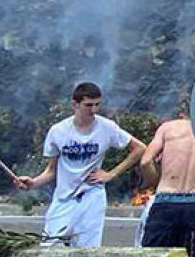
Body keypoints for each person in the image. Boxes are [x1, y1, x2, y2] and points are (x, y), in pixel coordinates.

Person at [16, 82, 147, 247]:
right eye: (88, 105)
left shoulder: (107, 127)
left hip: (92, 196)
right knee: (50, 245)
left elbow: (140, 148)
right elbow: (51, 171)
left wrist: (111, 174)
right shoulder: (58, 131)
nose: (93, 110)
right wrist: (33, 183)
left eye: (97, 105)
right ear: (75, 104)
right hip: (64, 198)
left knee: (87, 249)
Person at [137, 110, 195, 257]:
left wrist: (157, 182)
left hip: (165, 202)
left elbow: (146, 162)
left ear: (183, 112)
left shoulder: (168, 128)